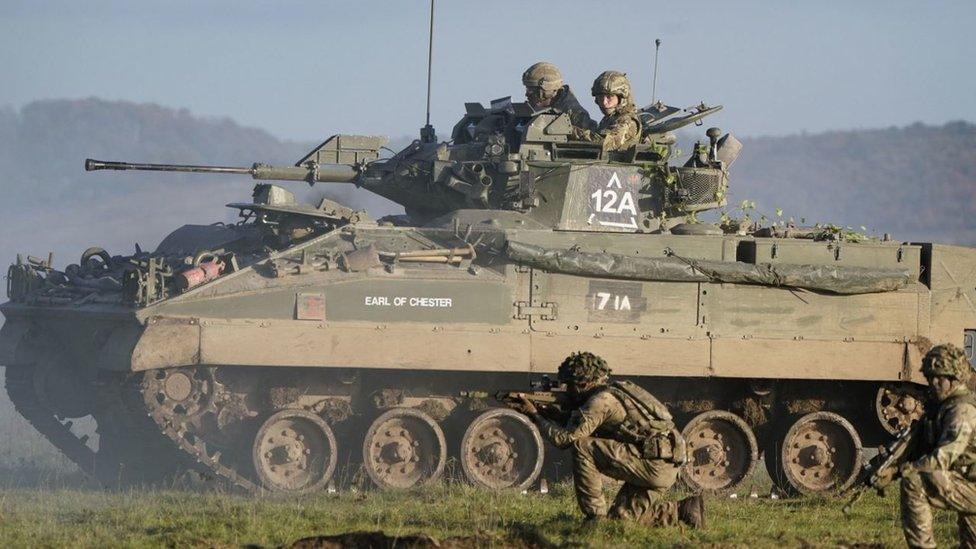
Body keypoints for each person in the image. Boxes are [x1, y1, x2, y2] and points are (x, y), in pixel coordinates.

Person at [509, 351, 703, 527]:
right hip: (664, 464)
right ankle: (683, 511)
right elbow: (584, 425)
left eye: (568, 386)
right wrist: (550, 414)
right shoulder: (615, 393)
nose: (565, 390)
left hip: (653, 464)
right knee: (620, 520)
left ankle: (595, 517)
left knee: (582, 447)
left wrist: (535, 415)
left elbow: (566, 440)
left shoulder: (600, 402)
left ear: (583, 384)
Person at [900, 343, 976, 548]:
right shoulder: (945, 406)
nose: (933, 383)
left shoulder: (962, 410)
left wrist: (909, 469)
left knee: (914, 480)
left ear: (955, 378)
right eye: (929, 377)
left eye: (939, 377)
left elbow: (944, 456)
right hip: (969, 482)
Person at [572, 71, 642, 153]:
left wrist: (573, 132)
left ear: (621, 98)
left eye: (610, 97)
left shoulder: (627, 121)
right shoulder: (610, 118)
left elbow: (604, 143)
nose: (604, 102)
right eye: (601, 97)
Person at [522, 62, 597, 131]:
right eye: (527, 89)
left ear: (547, 88)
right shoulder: (535, 108)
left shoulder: (576, 116)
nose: (527, 94)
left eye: (532, 90)